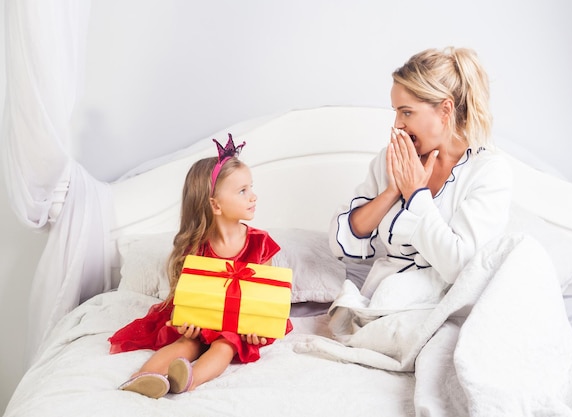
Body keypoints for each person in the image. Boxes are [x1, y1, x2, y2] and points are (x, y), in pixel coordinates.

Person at [329, 47, 512, 317]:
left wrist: (416, 194)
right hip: (387, 302)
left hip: (450, 310)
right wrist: (393, 190)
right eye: (396, 112)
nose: (397, 124)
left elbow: (459, 266)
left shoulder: (489, 171)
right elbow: (341, 239)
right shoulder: (392, 160)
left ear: (445, 110)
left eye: (406, 112)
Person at [110, 134, 291, 399]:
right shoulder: (195, 247)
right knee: (188, 341)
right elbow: (186, 296)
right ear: (215, 205)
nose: (253, 196)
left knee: (225, 344)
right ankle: (141, 379)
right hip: (202, 317)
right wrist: (186, 322)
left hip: (236, 324)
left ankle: (188, 381)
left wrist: (257, 332)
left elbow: (263, 298)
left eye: (251, 187)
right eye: (243, 191)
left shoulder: (260, 243)